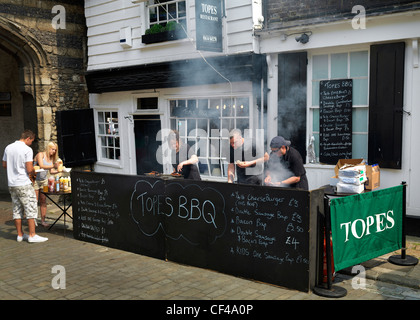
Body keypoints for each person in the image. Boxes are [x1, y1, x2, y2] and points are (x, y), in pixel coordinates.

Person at [2, 130, 48, 243]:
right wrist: (33, 173)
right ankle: (32, 235)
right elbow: (29, 169)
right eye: (31, 141)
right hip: (23, 183)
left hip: (12, 184)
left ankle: (20, 235)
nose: (31, 144)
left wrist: (14, 167)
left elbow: (4, 165)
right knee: (30, 208)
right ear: (28, 138)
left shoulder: (8, 147)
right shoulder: (27, 149)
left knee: (16, 209)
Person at [33, 142, 61, 227]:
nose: (54, 151)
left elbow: (51, 171)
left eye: (55, 150)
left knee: (43, 200)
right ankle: (33, 220)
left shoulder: (51, 158)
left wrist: (59, 171)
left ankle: (43, 221)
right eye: (52, 149)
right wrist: (54, 166)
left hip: (44, 180)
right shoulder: (40, 155)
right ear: (48, 148)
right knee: (34, 200)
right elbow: (41, 165)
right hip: (35, 180)